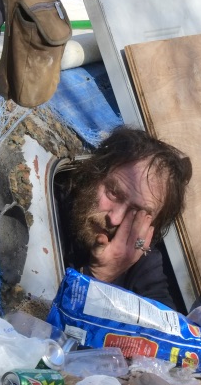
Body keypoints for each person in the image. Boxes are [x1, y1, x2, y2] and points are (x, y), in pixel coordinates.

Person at [56, 126, 192, 309]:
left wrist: (100, 276)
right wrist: (99, 275)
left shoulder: (143, 258)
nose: (115, 219)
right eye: (113, 193)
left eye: (136, 213)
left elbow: (163, 327)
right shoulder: (51, 201)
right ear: (94, 174)